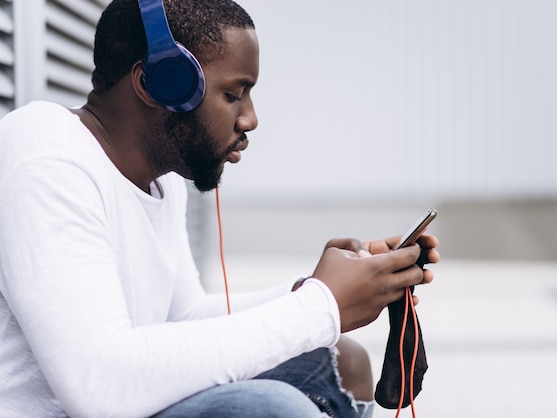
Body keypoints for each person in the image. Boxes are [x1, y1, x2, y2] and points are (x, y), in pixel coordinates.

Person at [0, 0, 440, 417]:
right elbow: (100, 386)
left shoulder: (161, 181)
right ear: (161, 82)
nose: (250, 118)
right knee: (272, 411)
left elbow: (184, 317)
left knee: (342, 361)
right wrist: (320, 307)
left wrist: (322, 288)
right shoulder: (47, 157)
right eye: (235, 94)